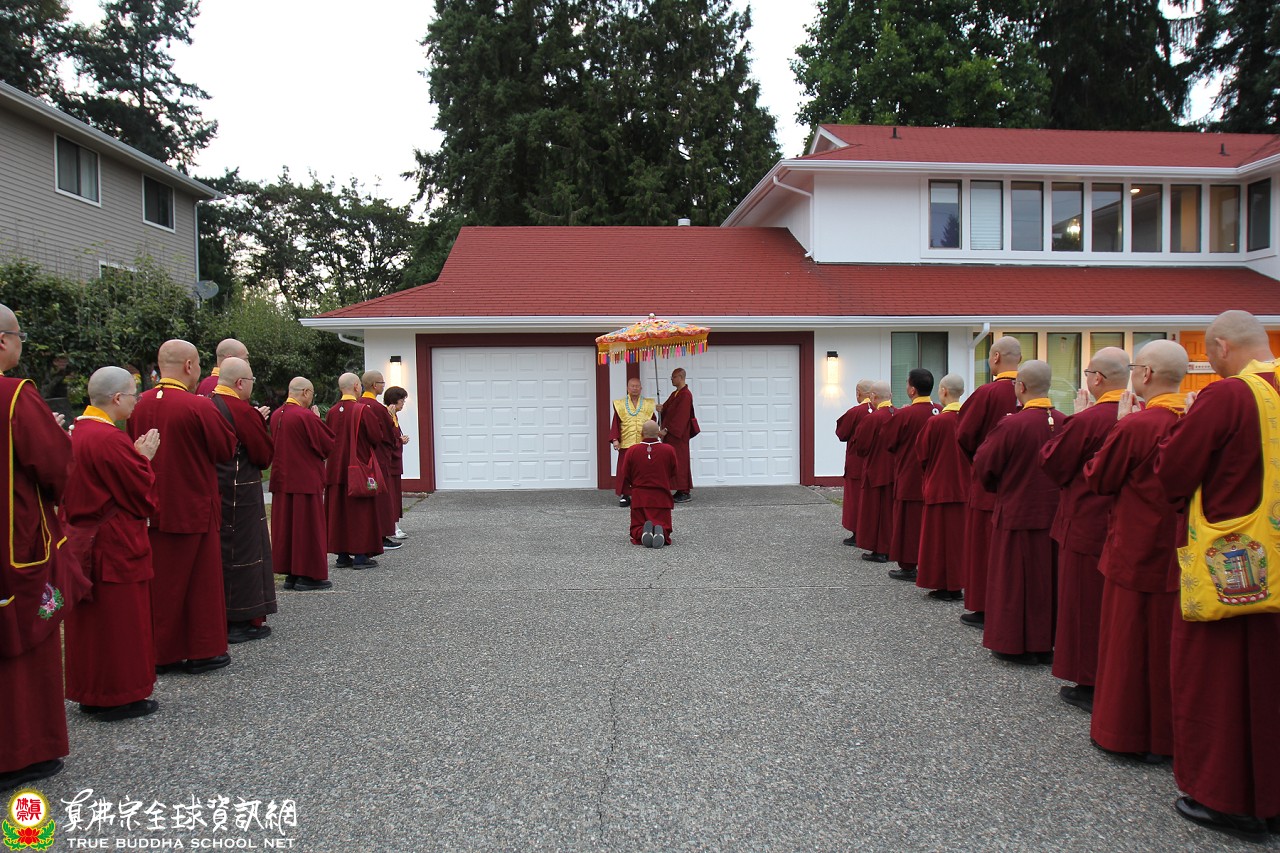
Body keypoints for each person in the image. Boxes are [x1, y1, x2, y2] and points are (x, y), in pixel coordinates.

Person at [1155, 310, 1280, 842]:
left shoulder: (1229, 396)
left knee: (1225, 681)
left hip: (1238, 566)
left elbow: (1173, 471)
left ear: (1223, 347)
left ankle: (1233, 798)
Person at [1082, 339, 1189, 765]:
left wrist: (1119, 426)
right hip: (1179, 546)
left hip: (1137, 543)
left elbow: (1099, 477)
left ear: (1145, 374)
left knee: (1129, 641)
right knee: (1169, 643)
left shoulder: (1138, 425)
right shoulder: (1192, 419)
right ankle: (1170, 735)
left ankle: (1127, 732)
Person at [128, 340, 237, 674]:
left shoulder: (139, 405)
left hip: (152, 505)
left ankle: (161, 652)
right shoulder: (197, 406)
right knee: (200, 584)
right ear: (189, 366)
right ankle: (203, 649)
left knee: (162, 583)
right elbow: (225, 448)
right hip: (193, 504)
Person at [0, 304, 75, 789]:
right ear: (2, 341)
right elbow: (54, 464)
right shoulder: (12, 395)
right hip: (13, 540)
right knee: (20, 642)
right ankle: (20, 749)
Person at [63, 366, 161, 722]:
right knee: (120, 619)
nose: (136, 402)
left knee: (90, 622)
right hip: (113, 542)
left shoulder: (77, 431)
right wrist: (143, 458)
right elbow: (139, 492)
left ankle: (90, 692)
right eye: (134, 395)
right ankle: (119, 696)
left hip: (82, 538)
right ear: (117, 398)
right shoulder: (109, 439)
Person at [1038, 347, 1129, 712]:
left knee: (1086, 604)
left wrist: (1078, 417)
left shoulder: (1090, 419)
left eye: (1089, 373)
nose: (1087, 378)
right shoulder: (1143, 414)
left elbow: (1054, 463)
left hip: (1087, 523)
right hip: (1126, 527)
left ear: (1098, 379)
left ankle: (1090, 680)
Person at [973, 360, 1062, 665]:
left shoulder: (1012, 424)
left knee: (1014, 581)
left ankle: (1014, 644)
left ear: (1020, 387)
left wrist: (998, 487)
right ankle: (1045, 643)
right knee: (1047, 580)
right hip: (1054, 514)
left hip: (1017, 510)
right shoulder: (1065, 421)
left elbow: (984, 464)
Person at [956, 336, 1023, 628]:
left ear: (995, 358)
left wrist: (979, 462)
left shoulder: (988, 393)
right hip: (1022, 486)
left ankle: (985, 606)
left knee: (985, 548)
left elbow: (964, 434)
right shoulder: (1032, 392)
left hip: (988, 485)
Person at [211, 358, 277, 643]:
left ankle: (220, 614)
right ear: (240, 383)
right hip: (242, 490)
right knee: (245, 552)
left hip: (216, 489)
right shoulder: (241, 410)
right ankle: (240, 618)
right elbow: (262, 454)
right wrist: (259, 423)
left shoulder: (207, 404)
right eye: (251, 381)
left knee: (223, 552)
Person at [270, 377, 335, 591]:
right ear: (306, 392)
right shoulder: (305, 416)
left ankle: (291, 573)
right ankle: (307, 575)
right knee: (307, 529)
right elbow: (327, 445)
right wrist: (317, 419)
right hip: (305, 480)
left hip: (282, 480)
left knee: (288, 528)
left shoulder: (277, 414)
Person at [915, 373, 969, 600]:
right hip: (966, 488)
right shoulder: (970, 420)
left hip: (940, 485)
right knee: (960, 540)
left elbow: (922, 454)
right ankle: (960, 582)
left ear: (944, 391)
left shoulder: (936, 422)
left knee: (939, 540)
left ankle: (945, 585)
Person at [326, 373, 385, 569]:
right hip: (357, 467)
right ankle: (360, 555)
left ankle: (342, 555)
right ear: (357, 387)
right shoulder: (362, 410)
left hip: (336, 469)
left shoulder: (332, 412)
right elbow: (376, 437)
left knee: (339, 512)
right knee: (359, 512)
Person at [883, 369, 937, 582]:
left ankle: (908, 565)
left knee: (909, 524)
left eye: (907, 384)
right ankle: (930, 563)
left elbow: (888, 441)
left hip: (910, 475)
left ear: (913, 390)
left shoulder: (905, 415)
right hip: (934, 476)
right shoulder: (940, 411)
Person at [618, 421, 678, 547]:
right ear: (658, 433)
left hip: (640, 497)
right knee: (663, 523)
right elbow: (674, 471)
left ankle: (643, 532)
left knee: (637, 525)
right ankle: (661, 531)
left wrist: (635, 484)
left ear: (641, 433)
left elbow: (626, 473)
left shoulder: (632, 451)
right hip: (662, 496)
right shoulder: (669, 450)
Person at [361, 370, 402, 552]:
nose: (383, 386)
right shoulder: (377, 408)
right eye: (382, 383)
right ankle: (382, 536)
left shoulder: (358, 404)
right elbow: (386, 435)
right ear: (374, 385)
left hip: (362, 459)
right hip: (379, 458)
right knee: (383, 497)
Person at [854, 380, 895, 563]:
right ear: (890, 396)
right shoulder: (899, 414)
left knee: (876, 512)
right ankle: (893, 548)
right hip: (896, 472)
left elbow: (861, 446)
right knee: (892, 512)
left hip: (876, 471)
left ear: (873, 397)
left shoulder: (872, 419)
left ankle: (879, 550)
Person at [835, 379, 875, 545]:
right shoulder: (884, 410)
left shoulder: (855, 412)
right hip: (877, 463)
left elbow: (842, 433)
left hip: (857, 463)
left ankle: (858, 533)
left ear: (859, 393)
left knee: (856, 499)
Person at [609, 376, 656, 507]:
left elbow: (653, 421)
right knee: (625, 469)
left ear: (641, 388)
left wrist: (653, 437)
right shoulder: (620, 404)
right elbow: (616, 422)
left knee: (644, 469)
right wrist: (615, 439)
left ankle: (643, 493)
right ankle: (625, 495)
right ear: (627, 388)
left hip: (643, 443)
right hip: (626, 442)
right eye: (632, 386)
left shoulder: (648, 404)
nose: (635, 388)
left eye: (637, 386)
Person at [656, 368, 696, 502]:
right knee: (673, 462)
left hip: (679, 436)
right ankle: (679, 489)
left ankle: (684, 491)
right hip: (671, 436)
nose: (671, 379)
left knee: (681, 462)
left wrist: (666, 430)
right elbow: (667, 408)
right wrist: (661, 409)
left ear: (680, 377)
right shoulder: (675, 394)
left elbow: (681, 417)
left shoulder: (686, 395)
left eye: (673, 377)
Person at [382, 385, 411, 540]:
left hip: (395, 461)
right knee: (390, 495)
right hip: (389, 462)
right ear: (395, 400)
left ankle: (393, 524)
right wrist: (399, 440)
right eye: (402, 400)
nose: (403, 403)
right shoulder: (387, 415)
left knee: (395, 493)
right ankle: (391, 526)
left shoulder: (394, 416)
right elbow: (386, 437)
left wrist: (400, 439)